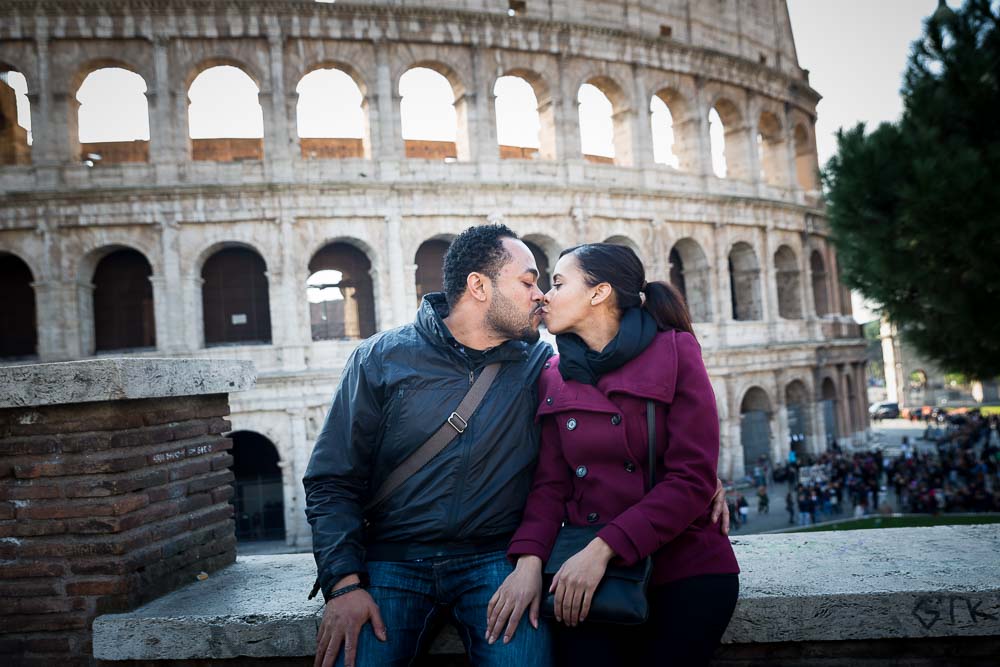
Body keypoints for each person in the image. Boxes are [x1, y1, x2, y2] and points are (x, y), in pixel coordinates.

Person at [303, 226, 731, 667]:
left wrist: (701, 475)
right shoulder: (380, 358)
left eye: (549, 284)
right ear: (478, 286)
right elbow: (331, 480)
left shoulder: (540, 366)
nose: (540, 295)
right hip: (393, 559)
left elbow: (613, 419)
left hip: (492, 558)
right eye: (528, 283)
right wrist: (344, 584)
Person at [486, 243, 739, 667]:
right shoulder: (552, 374)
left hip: (682, 563)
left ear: (598, 293)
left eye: (559, 283)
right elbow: (549, 485)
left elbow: (693, 477)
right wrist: (528, 562)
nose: (545, 295)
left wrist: (602, 549)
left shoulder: (676, 351)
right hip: (588, 574)